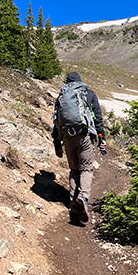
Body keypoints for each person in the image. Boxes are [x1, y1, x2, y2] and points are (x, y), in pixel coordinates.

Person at [51, 72, 106, 223]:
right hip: (84, 135)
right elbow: (97, 117)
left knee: (74, 170)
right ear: (80, 81)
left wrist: (57, 144)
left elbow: (56, 120)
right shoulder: (88, 94)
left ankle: (73, 204)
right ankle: (83, 197)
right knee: (86, 168)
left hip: (67, 137)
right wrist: (102, 137)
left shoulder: (62, 97)